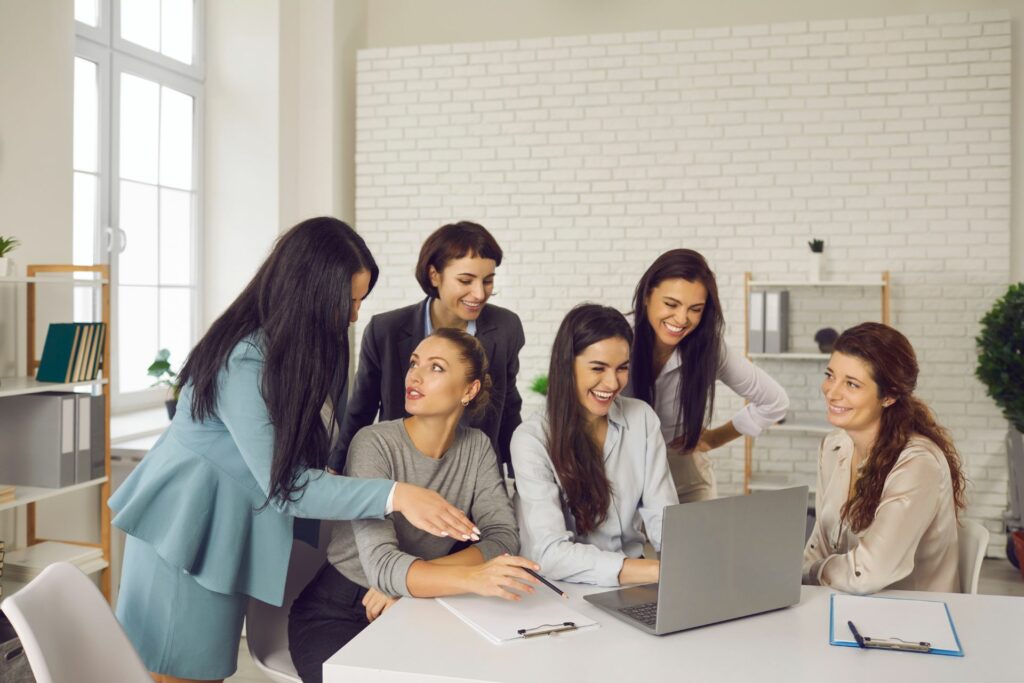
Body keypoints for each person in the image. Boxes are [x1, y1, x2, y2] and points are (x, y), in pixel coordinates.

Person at [109, 218, 478, 683]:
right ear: (311, 292)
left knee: (206, 672)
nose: (354, 316)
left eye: (361, 301)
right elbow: (286, 485)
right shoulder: (243, 359)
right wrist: (396, 494)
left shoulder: (293, 352)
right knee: (180, 675)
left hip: (225, 535)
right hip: (187, 538)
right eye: (349, 301)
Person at [289, 329, 536, 683]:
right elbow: (381, 565)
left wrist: (417, 581)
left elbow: (502, 536)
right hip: (339, 611)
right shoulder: (374, 443)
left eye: (436, 368)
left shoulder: (477, 447)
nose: (414, 377)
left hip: (419, 601)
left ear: (469, 390)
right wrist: (467, 576)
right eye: (414, 364)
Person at [331, 221, 524, 477]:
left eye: (488, 281)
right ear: (435, 275)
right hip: (402, 474)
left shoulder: (505, 327)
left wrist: (519, 476)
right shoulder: (386, 330)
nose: (479, 293)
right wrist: (336, 470)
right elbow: (361, 410)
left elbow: (509, 407)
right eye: (466, 280)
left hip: (475, 478)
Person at [512, 304, 678, 586]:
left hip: (635, 580)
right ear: (567, 367)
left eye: (622, 368)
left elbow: (665, 516)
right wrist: (658, 572)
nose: (612, 383)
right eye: (598, 368)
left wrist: (682, 563)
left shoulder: (642, 419)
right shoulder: (532, 439)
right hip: (564, 590)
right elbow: (550, 553)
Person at [802, 322, 966, 594]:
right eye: (830, 375)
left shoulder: (918, 463)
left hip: (913, 621)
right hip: (847, 604)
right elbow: (819, 543)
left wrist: (811, 572)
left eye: (852, 384)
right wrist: (790, 579)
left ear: (888, 396)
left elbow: (867, 573)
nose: (831, 391)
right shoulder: (834, 446)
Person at [627, 249, 789, 502]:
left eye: (695, 309)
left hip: (684, 472)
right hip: (624, 469)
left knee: (699, 542)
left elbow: (774, 401)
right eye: (671, 304)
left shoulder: (709, 349)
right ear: (648, 296)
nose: (681, 319)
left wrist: (715, 438)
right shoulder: (616, 339)